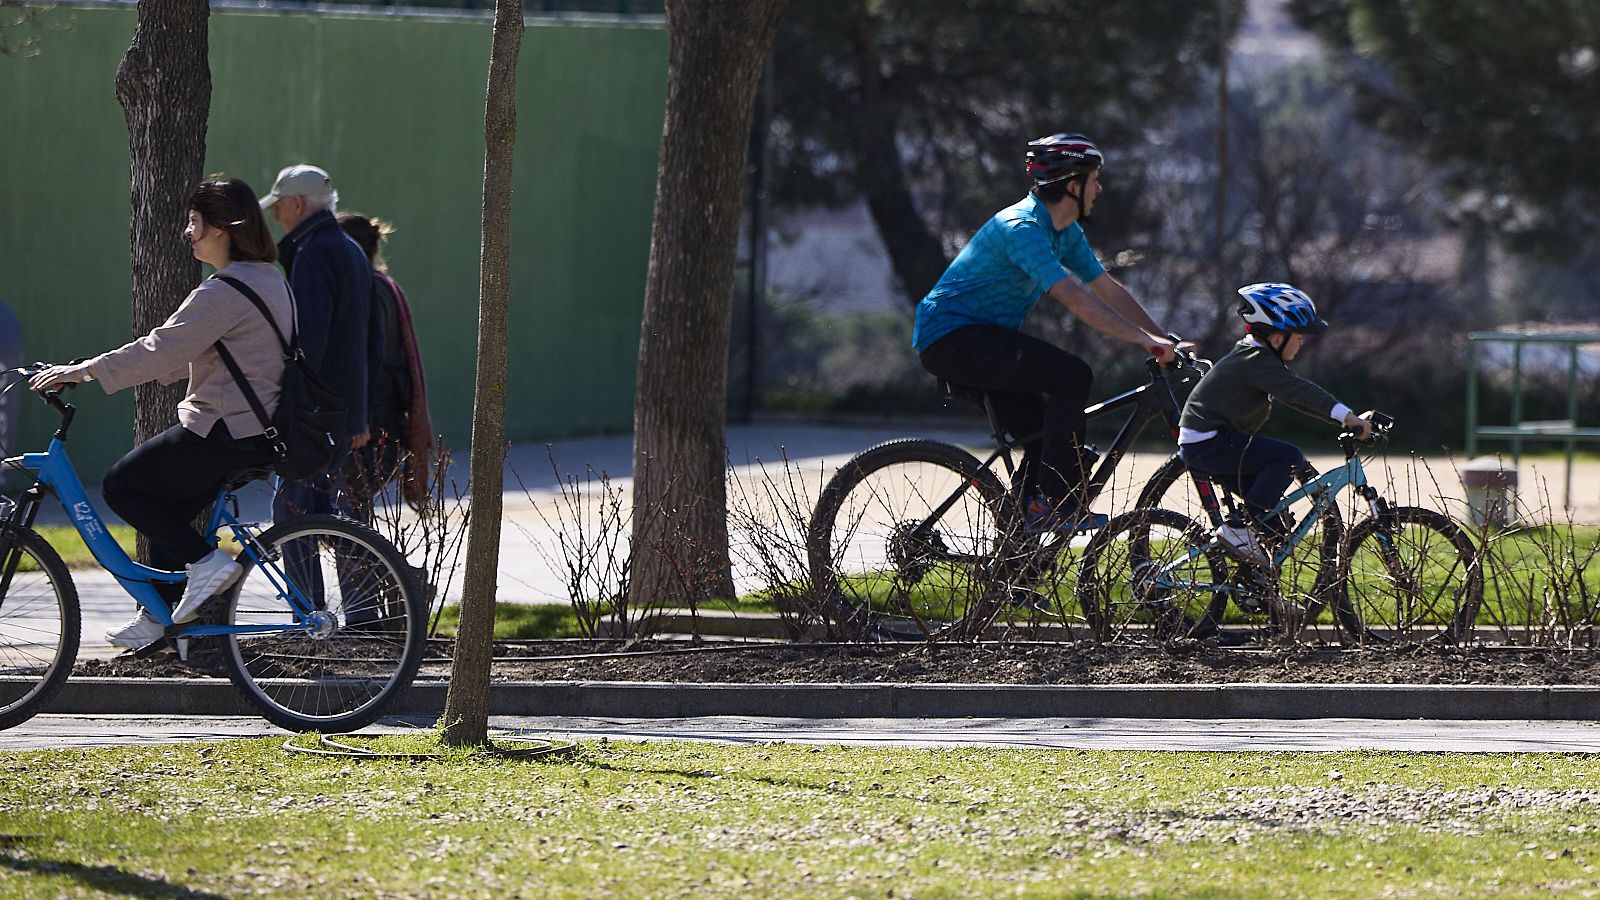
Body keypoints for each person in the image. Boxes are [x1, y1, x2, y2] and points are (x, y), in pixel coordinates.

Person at [29, 178, 291, 648]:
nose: (187, 233)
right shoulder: (270, 279)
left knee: (123, 486)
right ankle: (165, 616)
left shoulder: (225, 291)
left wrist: (84, 372)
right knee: (166, 516)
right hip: (253, 430)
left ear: (221, 228)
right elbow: (194, 353)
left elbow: (159, 350)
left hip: (223, 430)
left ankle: (210, 567)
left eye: (194, 223)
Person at [912, 133, 1182, 532]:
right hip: (951, 337)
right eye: (1095, 180)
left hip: (982, 338)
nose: (1099, 188)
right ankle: (1054, 503)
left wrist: (1162, 337)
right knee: (1072, 375)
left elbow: (1106, 288)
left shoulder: (1065, 231)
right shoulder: (1022, 228)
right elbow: (1073, 297)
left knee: (1043, 436)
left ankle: (1017, 558)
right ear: (1073, 186)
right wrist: (1142, 340)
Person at [1177, 282, 1374, 572]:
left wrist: (1346, 419)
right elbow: (1299, 391)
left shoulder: (1255, 357)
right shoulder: (1254, 360)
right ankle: (1237, 530)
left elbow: (1296, 399)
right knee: (1287, 457)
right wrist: (1348, 417)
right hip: (1209, 443)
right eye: (1299, 336)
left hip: (1212, 442)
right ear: (1278, 336)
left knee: (1272, 523)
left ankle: (1264, 594)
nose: (1301, 342)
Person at [258, 164, 372, 522]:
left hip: (317, 414)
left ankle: (305, 584)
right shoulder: (351, 249)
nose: (275, 215)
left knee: (292, 517)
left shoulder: (313, 253)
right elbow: (371, 338)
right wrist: (359, 412)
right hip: (343, 409)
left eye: (279, 205)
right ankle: (383, 579)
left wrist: (293, 410)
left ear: (297, 203)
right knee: (331, 515)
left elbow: (309, 344)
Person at [336, 212, 433, 518]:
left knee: (347, 516)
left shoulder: (367, 289)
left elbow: (370, 360)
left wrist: (359, 419)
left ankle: (379, 568)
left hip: (372, 425)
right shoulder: (384, 286)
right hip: (383, 423)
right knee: (350, 515)